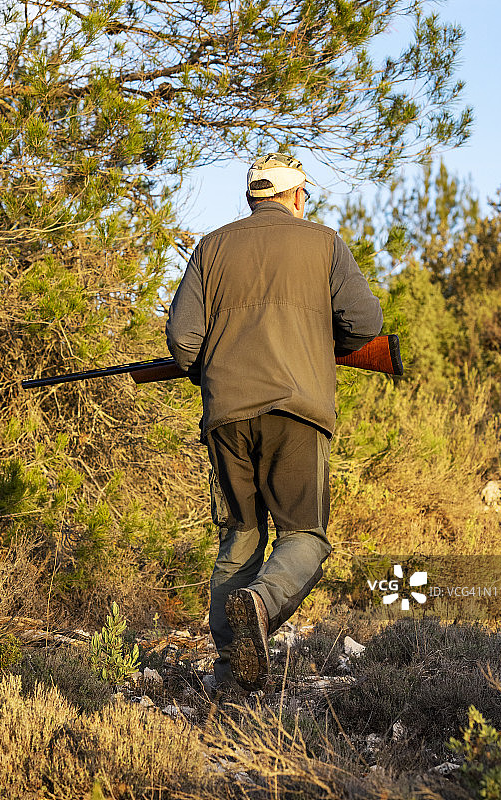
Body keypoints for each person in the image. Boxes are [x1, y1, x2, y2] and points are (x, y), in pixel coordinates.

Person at [165, 153, 383, 693]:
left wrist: (215, 376)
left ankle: (229, 681)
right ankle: (260, 605)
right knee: (305, 536)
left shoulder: (210, 247)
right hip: (297, 414)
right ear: (297, 196)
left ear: (251, 198)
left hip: (227, 419)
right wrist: (320, 348)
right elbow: (365, 322)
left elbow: (181, 341)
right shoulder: (324, 242)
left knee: (239, 538)